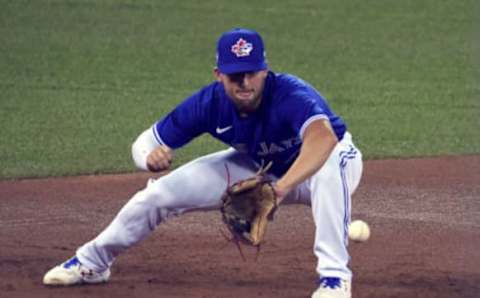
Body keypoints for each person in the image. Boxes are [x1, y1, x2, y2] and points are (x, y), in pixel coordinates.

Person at [43, 28, 363, 298]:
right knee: (158, 195)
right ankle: (92, 262)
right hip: (261, 168)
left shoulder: (290, 93)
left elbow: (323, 140)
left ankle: (334, 279)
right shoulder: (208, 104)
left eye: (252, 72)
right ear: (219, 75)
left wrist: (279, 190)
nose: (245, 83)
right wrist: (148, 158)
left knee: (330, 167)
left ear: (265, 70)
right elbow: (146, 142)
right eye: (235, 75)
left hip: (325, 166)